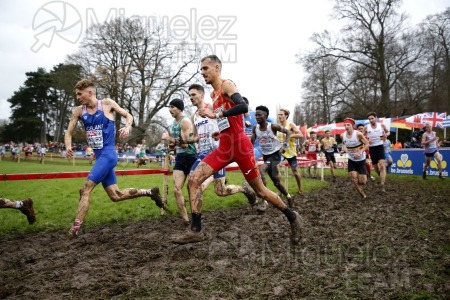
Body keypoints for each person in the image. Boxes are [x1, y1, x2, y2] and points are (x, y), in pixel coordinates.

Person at [172, 54, 301, 245]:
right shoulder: (214, 95)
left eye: (205, 69)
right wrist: (220, 130)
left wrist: (217, 114)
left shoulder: (227, 84)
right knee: (194, 179)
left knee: (261, 191)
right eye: (201, 70)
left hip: (241, 147)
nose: (202, 73)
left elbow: (243, 106)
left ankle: (292, 217)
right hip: (224, 147)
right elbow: (228, 122)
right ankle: (196, 230)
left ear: (217, 68)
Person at [64, 79, 164, 237]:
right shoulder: (78, 111)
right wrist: (68, 146)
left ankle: (74, 229)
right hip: (100, 157)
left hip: (109, 155)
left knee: (85, 189)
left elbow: (128, 115)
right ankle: (150, 192)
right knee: (116, 195)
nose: (77, 97)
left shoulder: (107, 104)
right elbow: (69, 132)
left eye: (79, 94)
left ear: (89, 92)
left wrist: (127, 126)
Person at [185, 83, 256, 206]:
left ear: (202, 95)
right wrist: (183, 141)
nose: (191, 97)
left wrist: (223, 134)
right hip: (203, 154)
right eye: (189, 95)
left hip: (218, 153)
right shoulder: (194, 116)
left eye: (193, 94)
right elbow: (196, 137)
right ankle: (196, 220)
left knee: (221, 191)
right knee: (193, 183)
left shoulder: (212, 108)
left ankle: (244, 189)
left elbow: (229, 122)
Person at [161, 98, 198, 227]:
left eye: (172, 107)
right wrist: (171, 146)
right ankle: (186, 220)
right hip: (180, 158)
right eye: (169, 107)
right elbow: (177, 143)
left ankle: (196, 216)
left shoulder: (185, 122)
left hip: (192, 157)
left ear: (179, 108)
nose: (170, 110)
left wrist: (168, 138)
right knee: (176, 189)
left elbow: (186, 145)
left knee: (192, 188)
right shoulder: (173, 123)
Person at [251, 105, 294, 207]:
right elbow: (251, 142)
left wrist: (285, 145)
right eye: (256, 115)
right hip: (266, 156)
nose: (257, 117)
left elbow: (288, 132)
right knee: (276, 183)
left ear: (265, 116)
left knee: (261, 170)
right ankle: (288, 196)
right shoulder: (255, 128)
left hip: (275, 155)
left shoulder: (272, 126)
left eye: (259, 115)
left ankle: (265, 201)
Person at [340, 118, 370, 199]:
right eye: (345, 125)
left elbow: (367, 144)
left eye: (348, 125)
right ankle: (362, 194)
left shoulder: (358, 134)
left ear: (352, 126)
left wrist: (360, 152)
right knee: (354, 179)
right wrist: (343, 150)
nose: (346, 126)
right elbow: (343, 144)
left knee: (362, 181)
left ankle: (362, 184)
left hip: (361, 160)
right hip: (352, 160)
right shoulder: (342, 135)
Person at [277, 108, 304, 194]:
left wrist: (290, 135)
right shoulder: (278, 126)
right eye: (279, 114)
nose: (279, 116)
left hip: (291, 152)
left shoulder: (290, 124)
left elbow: (301, 135)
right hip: (281, 152)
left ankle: (300, 189)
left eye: (281, 114)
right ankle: (281, 191)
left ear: (286, 116)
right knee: (276, 170)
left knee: (295, 172)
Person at [365, 112, 390, 192]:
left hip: (380, 147)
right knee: (376, 168)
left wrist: (384, 136)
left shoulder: (381, 125)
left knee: (382, 165)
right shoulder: (367, 127)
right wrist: (368, 140)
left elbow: (387, 132)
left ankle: (382, 184)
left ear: (375, 118)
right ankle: (381, 175)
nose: (371, 120)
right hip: (372, 148)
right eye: (369, 119)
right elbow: (362, 137)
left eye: (372, 118)